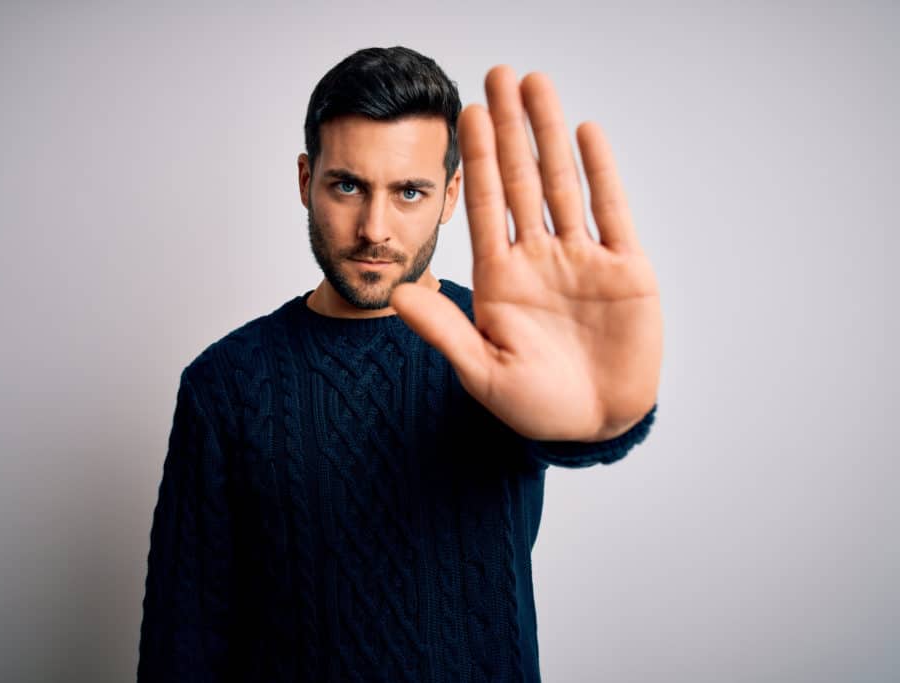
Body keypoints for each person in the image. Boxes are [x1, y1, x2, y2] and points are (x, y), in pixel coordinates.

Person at [137, 45, 662, 682]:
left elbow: (563, 425)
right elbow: (182, 644)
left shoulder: (503, 343)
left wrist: (605, 423)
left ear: (450, 195)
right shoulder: (225, 384)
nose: (374, 228)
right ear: (306, 181)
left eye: (410, 191)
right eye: (348, 185)